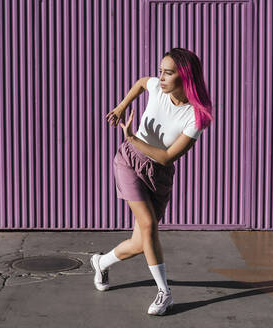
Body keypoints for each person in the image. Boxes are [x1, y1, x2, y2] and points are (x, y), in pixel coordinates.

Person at [90, 47, 214, 316]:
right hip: (128, 161)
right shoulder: (158, 88)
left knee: (140, 242)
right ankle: (164, 292)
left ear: (186, 77)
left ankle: (100, 262)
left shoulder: (196, 117)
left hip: (158, 172)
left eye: (168, 73)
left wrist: (133, 136)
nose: (161, 78)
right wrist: (121, 107)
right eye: (161, 71)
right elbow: (141, 83)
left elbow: (168, 157)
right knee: (148, 225)